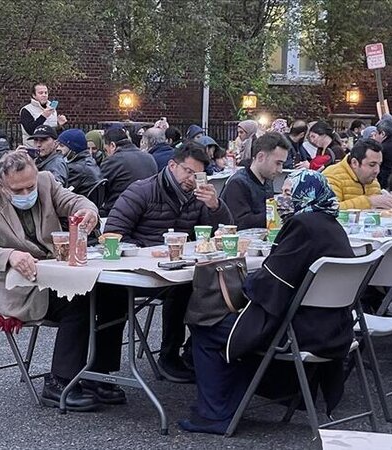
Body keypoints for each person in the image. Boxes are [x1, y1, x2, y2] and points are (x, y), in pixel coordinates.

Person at [181, 170, 355, 435]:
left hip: (300, 331)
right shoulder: (330, 224)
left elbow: (269, 285)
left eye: (287, 194)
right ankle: (232, 403)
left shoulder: (302, 226)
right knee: (232, 323)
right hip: (334, 328)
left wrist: (244, 285)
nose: (281, 199)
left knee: (205, 324)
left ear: (303, 195)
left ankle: (214, 415)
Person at [0, 151, 126, 411]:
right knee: (80, 299)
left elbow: (75, 201)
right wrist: (10, 255)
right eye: (18, 189)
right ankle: (58, 382)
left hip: (55, 275)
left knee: (114, 294)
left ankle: (99, 375)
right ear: (1, 186)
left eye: (30, 185)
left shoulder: (46, 181)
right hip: (19, 288)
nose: (28, 192)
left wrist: (88, 212)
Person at [104, 142, 233, 382]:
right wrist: (148, 251)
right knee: (182, 289)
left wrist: (215, 206)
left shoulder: (198, 198)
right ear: (173, 165)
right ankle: (169, 355)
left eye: (198, 175)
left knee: (223, 283)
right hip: (143, 271)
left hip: (180, 267)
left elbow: (221, 233)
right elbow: (113, 234)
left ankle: (197, 352)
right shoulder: (143, 190)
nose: (193, 180)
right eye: (188, 172)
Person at [220, 132, 289, 230]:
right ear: (260, 157)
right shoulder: (237, 183)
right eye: (278, 163)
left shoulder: (267, 180)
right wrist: (278, 212)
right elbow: (240, 223)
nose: (280, 170)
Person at [324, 139, 392, 210]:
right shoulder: (332, 176)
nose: (377, 170)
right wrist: (369, 202)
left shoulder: (372, 179)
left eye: (379, 165)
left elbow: (377, 209)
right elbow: (328, 209)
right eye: (372, 165)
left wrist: (391, 203)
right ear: (354, 163)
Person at [100, 127, 157, 216]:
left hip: (120, 211)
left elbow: (100, 189)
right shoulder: (150, 158)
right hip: (149, 211)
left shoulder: (113, 161)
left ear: (112, 145)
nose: (106, 155)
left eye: (105, 150)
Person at [58, 129, 101, 197]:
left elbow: (60, 193)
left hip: (79, 205)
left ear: (73, 149)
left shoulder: (75, 169)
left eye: (62, 145)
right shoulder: (89, 161)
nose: (58, 148)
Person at [373, 116, 392, 188]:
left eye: (376, 134)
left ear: (383, 134)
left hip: (385, 183)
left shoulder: (381, 148)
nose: (375, 137)